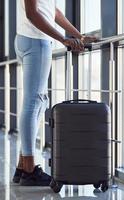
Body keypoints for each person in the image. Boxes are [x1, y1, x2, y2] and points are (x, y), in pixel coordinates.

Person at [13, 0, 97, 186]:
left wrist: (78, 35)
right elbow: (32, 13)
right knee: (33, 103)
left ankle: (21, 167)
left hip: (29, 39)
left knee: (39, 102)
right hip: (36, 40)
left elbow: (53, 11)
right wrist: (63, 39)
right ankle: (29, 170)